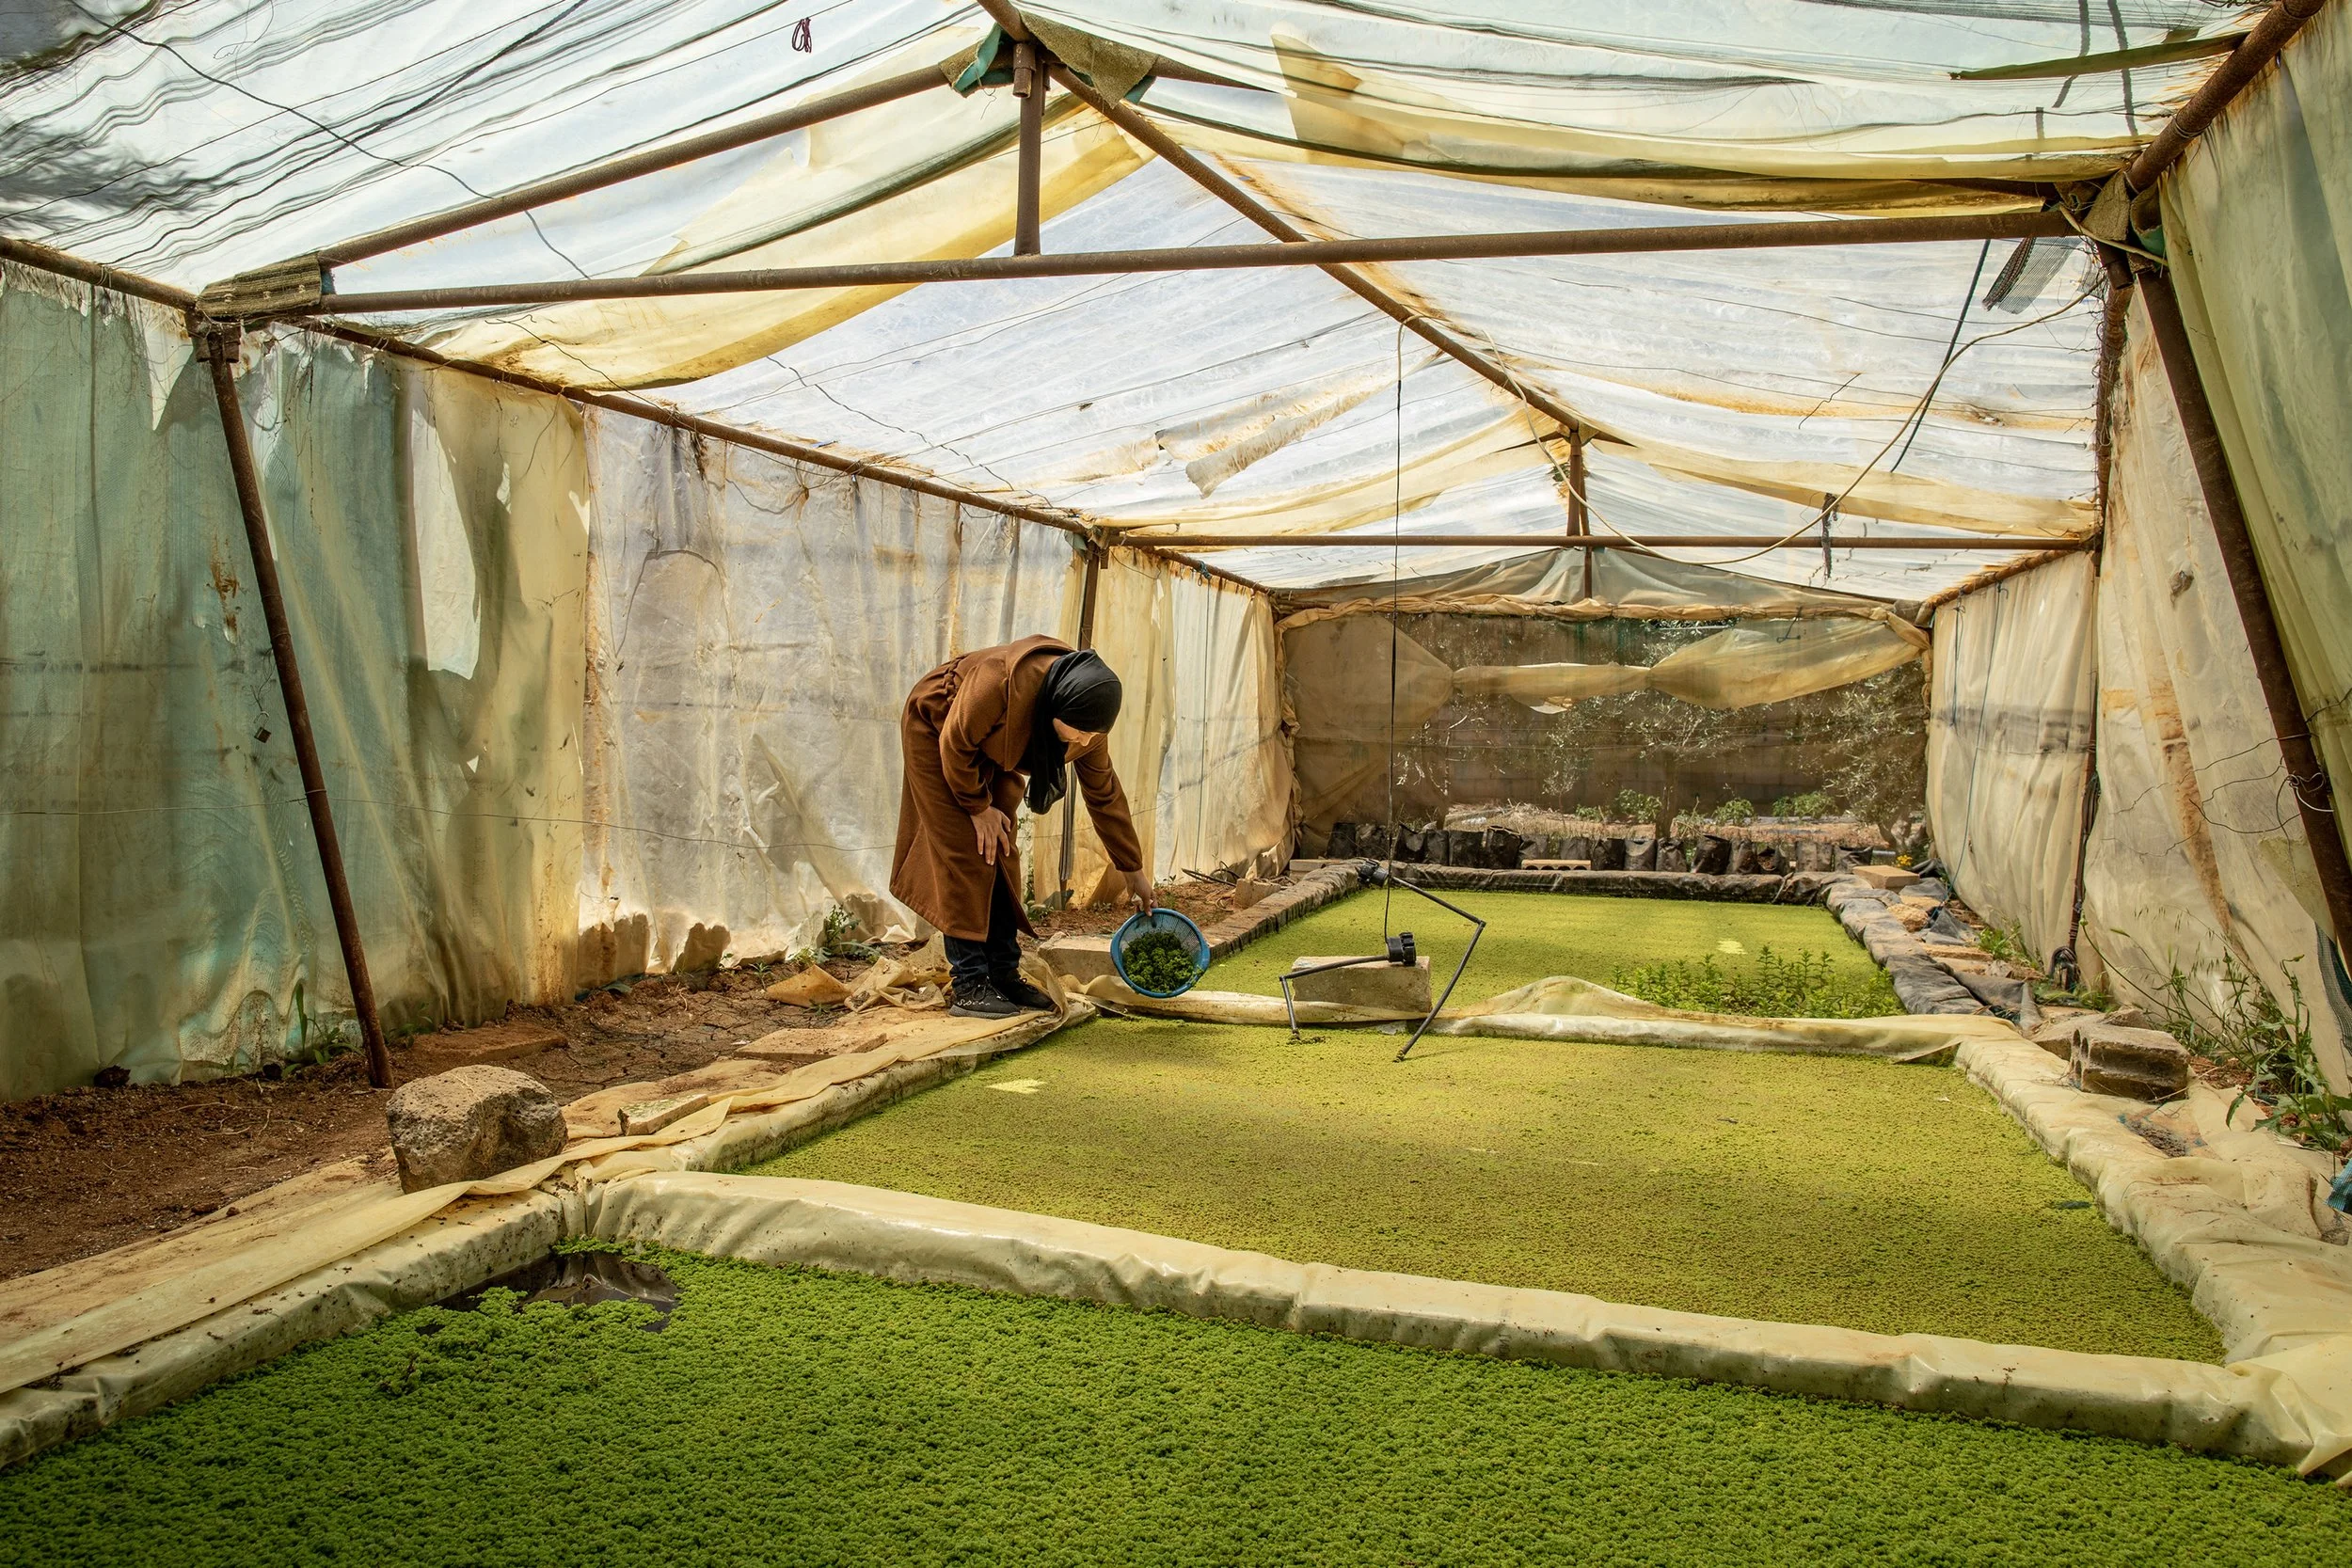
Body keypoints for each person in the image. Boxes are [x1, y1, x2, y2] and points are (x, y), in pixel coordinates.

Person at [891, 635, 1154, 1018]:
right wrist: (977, 807)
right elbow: (955, 743)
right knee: (966, 850)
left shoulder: (1087, 724)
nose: (1083, 740)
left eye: (1093, 734)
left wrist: (1132, 868)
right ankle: (969, 983)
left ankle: (1002, 973)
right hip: (939, 732)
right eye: (1078, 730)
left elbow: (1105, 793)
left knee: (1002, 849)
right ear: (1056, 706)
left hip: (994, 747)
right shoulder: (999, 681)